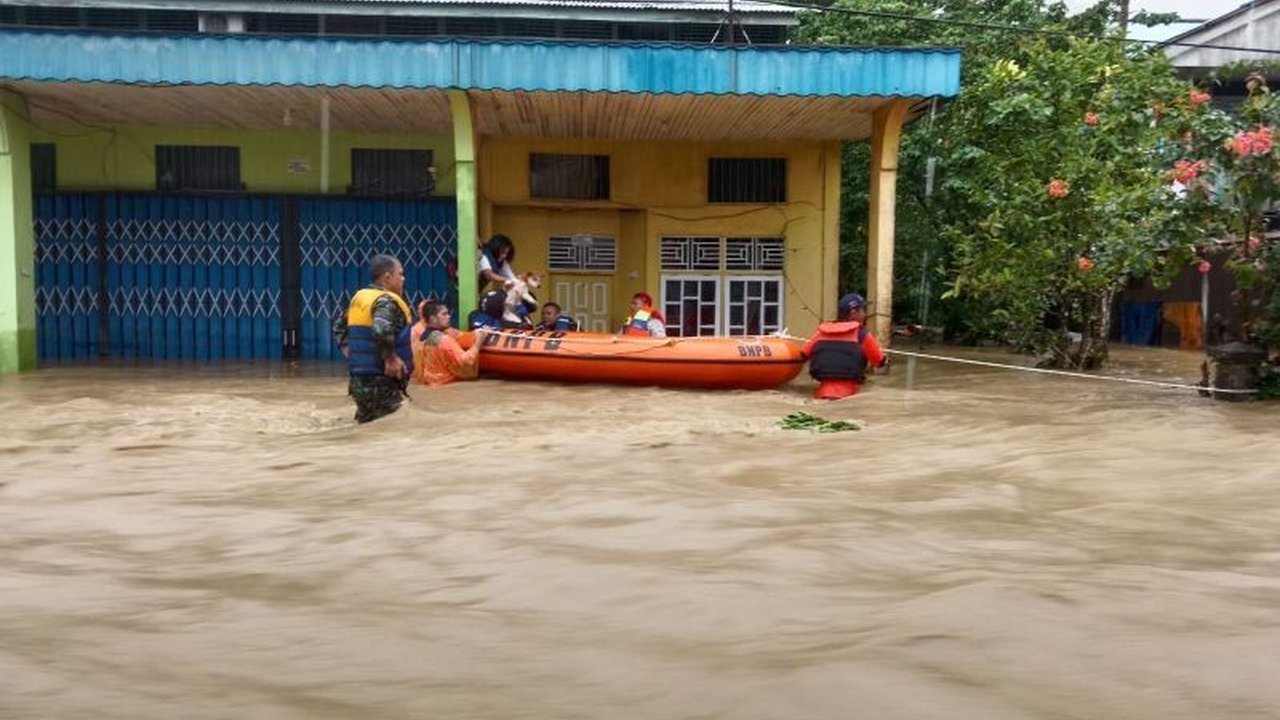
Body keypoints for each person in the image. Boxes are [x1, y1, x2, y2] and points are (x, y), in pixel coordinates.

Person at [332, 254, 414, 423]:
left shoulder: (360, 299)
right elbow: (381, 329)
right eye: (400, 274)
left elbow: (338, 327)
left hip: (359, 381)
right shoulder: (386, 301)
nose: (403, 279)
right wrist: (390, 358)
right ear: (388, 277)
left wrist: (352, 353)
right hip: (380, 382)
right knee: (393, 428)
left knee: (367, 426)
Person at [801, 292, 888, 400]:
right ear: (853, 312)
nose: (865, 314)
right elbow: (880, 362)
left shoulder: (822, 332)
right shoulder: (861, 334)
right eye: (863, 310)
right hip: (849, 395)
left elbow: (803, 354)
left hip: (821, 393)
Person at [414, 301, 489, 387]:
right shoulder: (445, 340)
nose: (449, 317)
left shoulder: (421, 339)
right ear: (433, 319)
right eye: (444, 314)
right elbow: (466, 361)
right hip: (447, 384)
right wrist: (479, 341)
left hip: (432, 384)